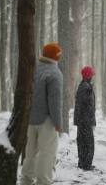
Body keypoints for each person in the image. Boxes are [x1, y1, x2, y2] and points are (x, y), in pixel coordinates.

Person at [21, 42, 63, 185]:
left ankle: (26, 180)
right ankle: (43, 182)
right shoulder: (54, 73)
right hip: (47, 120)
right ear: (56, 57)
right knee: (47, 154)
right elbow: (54, 102)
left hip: (30, 119)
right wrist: (58, 123)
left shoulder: (33, 69)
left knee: (30, 153)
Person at [74, 66, 96, 170]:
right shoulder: (86, 88)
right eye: (91, 75)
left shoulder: (82, 86)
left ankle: (83, 163)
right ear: (88, 76)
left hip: (82, 121)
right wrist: (90, 121)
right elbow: (88, 106)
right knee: (88, 143)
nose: (92, 77)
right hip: (85, 121)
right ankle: (86, 165)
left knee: (82, 142)